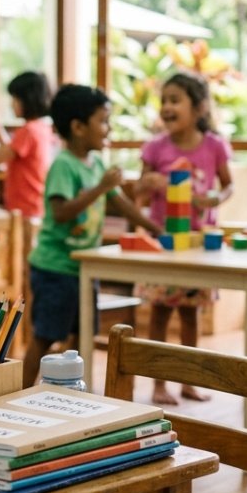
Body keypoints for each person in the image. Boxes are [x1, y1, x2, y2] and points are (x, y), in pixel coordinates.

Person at [23, 85, 163, 387]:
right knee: (45, 336)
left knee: (80, 335)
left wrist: (154, 228)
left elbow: (120, 203)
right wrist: (99, 188)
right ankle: (15, 394)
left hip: (84, 269)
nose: (108, 128)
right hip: (55, 268)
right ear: (77, 127)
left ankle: (67, 393)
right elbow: (60, 212)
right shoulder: (64, 165)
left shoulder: (96, 164)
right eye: (102, 121)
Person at [137, 73, 233, 405]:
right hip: (163, 244)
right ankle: (159, 385)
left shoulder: (214, 145)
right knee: (160, 313)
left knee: (192, 314)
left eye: (175, 100)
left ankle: (189, 381)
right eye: (164, 100)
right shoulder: (155, 148)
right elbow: (139, 194)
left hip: (197, 246)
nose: (166, 107)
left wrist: (216, 199)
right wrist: (149, 183)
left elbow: (227, 184)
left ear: (200, 107)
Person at [0, 71, 56, 218]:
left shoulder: (28, 130)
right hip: (35, 205)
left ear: (27, 100)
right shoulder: (42, 128)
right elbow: (10, 152)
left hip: (24, 208)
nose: (11, 104)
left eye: (14, 99)